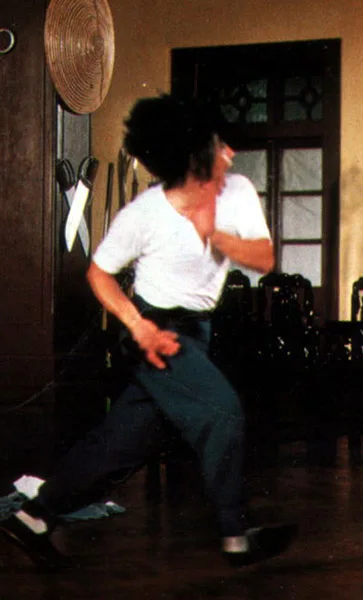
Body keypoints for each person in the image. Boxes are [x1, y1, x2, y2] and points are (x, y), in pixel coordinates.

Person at [0, 94, 295, 570]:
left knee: (124, 442)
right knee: (223, 413)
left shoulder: (237, 191)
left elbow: (263, 258)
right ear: (191, 156)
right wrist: (137, 327)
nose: (231, 153)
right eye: (219, 146)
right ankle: (235, 536)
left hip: (197, 332)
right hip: (155, 332)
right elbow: (98, 273)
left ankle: (33, 517)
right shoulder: (143, 213)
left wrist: (213, 233)